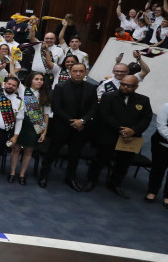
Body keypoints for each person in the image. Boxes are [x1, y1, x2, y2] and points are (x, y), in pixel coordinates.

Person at [83, 76, 152, 197]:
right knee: (100, 159)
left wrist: (134, 130)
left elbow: (146, 119)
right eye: (123, 84)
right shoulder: (108, 97)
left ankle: (115, 184)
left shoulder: (144, 100)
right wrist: (122, 130)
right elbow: (105, 115)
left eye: (129, 85)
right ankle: (91, 180)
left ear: (136, 87)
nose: (125, 87)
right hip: (109, 135)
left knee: (123, 163)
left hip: (131, 137)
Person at [38, 63, 97, 191]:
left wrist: (82, 121)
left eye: (81, 71)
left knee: (75, 154)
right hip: (62, 126)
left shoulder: (91, 88)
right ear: (70, 72)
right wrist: (72, 122)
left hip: (81, 128)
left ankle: (70, 177)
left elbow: (93, 108)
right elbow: (56, 107)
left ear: (85, 72)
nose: (78, 74)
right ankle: (44, 175)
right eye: (75, 71)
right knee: (52, 152)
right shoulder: (60, 87)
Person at [9, 72, 50, 185]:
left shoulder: (45, 95)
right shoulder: (23, 90)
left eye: (41, 79)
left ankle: (22, 174)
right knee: (16, 148)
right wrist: (12, 57)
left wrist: (44, 132)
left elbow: (46, 115)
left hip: (36, 124)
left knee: (29, 150)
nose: (39, 81)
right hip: (22, 122)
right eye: (36, 79)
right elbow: (13, 74)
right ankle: (12, 172)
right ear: (31, 80)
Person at [145, 102, 168, 207]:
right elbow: (162, 127)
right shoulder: (167, 106)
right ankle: (152, 191)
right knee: (158, 167)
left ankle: (167, 196)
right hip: (162, 143)